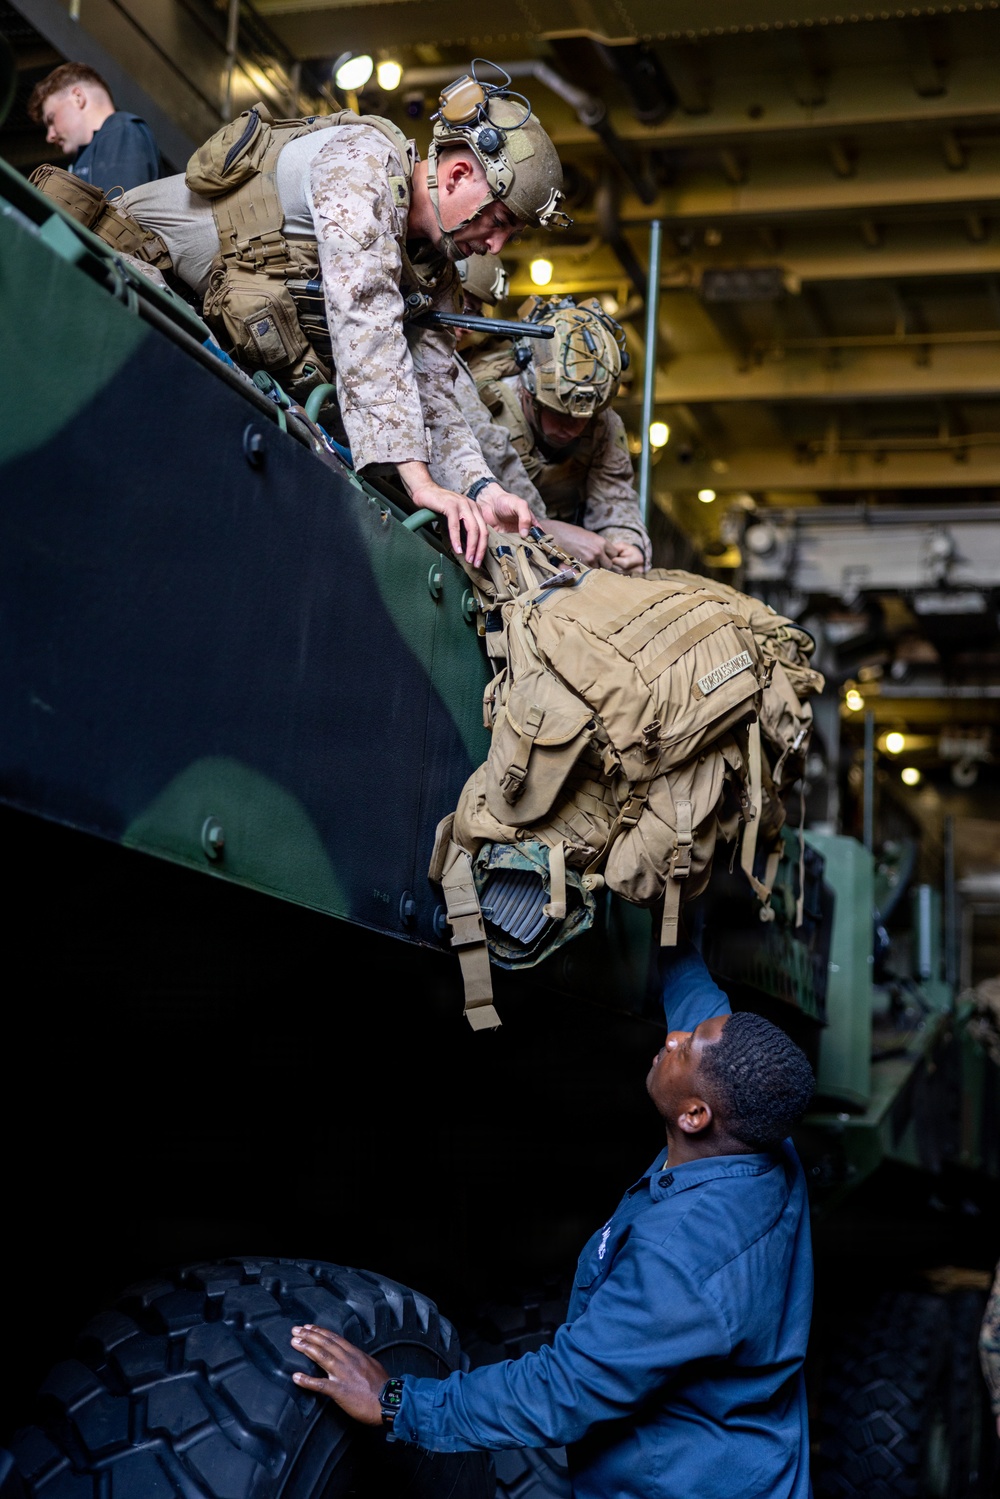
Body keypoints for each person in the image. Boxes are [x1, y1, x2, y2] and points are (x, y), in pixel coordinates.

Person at [287, 939, 816, 1499]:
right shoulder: (763, 1139)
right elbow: (699, 1007)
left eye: (685, 1050)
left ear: (694, 1115)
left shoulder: (681, 1255)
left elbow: (565, 1388)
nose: (673, 1039)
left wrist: (399, 1403)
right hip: (754, 1468)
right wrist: (676, 926)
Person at [109, 64, 570, 567]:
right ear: (458, 175)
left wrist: (482, 488)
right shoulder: (363, 164)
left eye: (511, 235)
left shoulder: (434, 270)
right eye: (498, 221)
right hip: (126, 282)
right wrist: (419, 481)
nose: (495, 245)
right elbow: (365, 318)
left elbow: (434, 391)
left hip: (195, 337)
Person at [471, 294, 652, 574]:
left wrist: (627, 544)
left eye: (584, 417)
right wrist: (554, 535)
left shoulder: (603, 421)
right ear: (527, 392)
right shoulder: (485, 408)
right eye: (559, 413)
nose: (573, 426)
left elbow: (614, 496)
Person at [28, 62, 159, 192]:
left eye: (51, 119)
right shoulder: (95, 149)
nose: (49, 136)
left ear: (78, 98)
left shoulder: (120, 129)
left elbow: (121, 209)